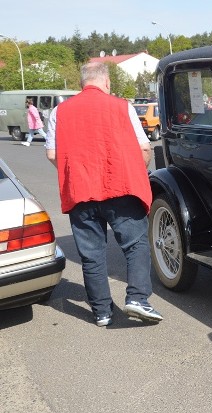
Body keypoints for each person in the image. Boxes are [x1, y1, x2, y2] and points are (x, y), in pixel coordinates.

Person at [45, 62, 163, 326]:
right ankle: (137, 299)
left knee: (92, 254)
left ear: (82, 84)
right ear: (107, 82)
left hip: (80, 193)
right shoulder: (123, 107)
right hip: (120, 187)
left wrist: (78, 171)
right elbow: (144, 149)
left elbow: (52, 153)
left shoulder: (59, 111)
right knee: (135, 245)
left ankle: (101, 312)